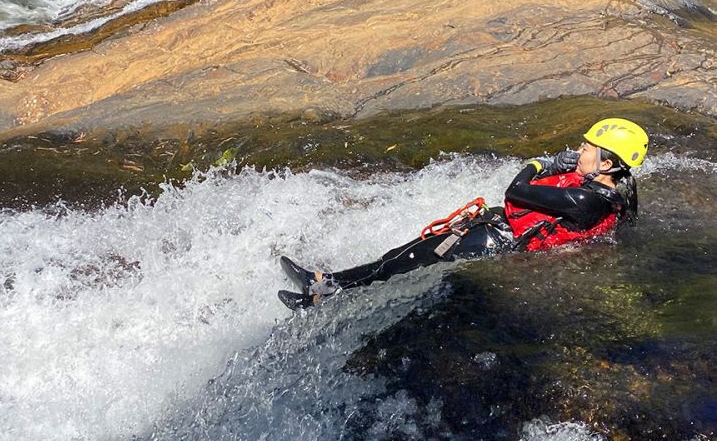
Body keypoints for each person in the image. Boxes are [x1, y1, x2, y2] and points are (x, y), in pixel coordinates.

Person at [278, 117, 649, 309]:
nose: (578, 150)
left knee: (399, 263)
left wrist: (541, 163)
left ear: (607, 161)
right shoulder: (615, 189)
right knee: (397, 260)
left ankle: (320, 294)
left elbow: (515, 190)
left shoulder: (588, 201)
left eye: (587, 147)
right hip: (496, 231)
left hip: (492, 241)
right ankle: (323, 284)